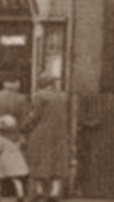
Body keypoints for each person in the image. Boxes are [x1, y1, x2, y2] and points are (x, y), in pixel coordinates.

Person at [22, 74, 71, 202]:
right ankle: (54, 192)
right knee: (57, 163)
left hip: (41, 133)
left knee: (38, 161)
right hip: (59, 134)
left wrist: (24, 126)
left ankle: (39, 191)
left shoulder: (39, 96)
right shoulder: (63, 96)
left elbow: (34, 115)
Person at [0, 113, 30, 201]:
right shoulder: (17, 138)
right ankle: (20, 194)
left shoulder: (0, 139)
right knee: (15, 178)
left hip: (3, 161)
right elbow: (23, 146)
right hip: (15, 160)